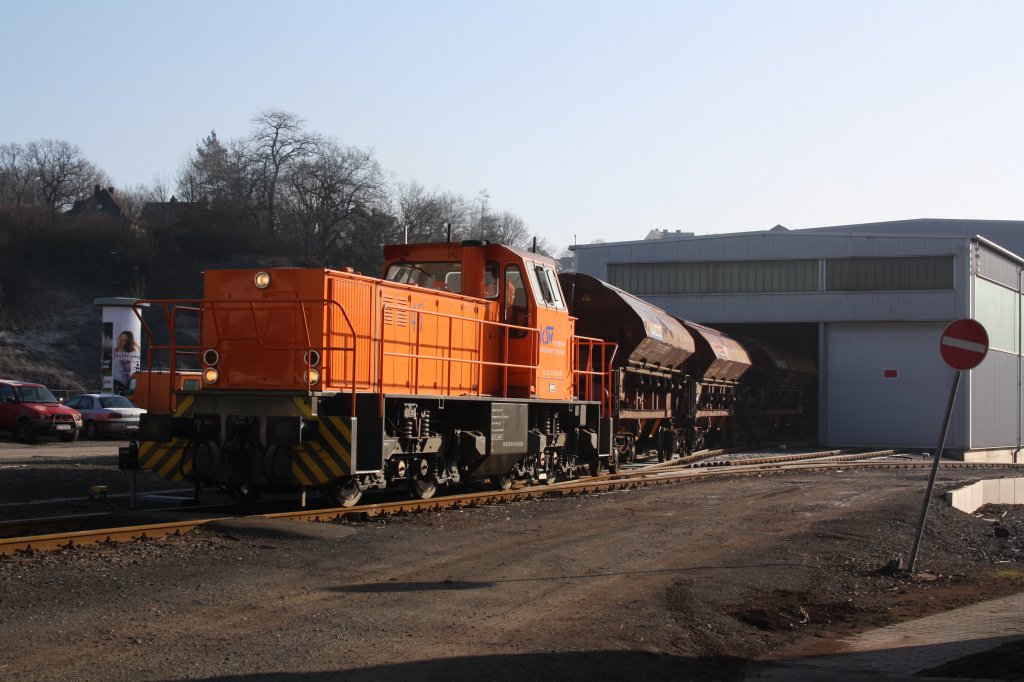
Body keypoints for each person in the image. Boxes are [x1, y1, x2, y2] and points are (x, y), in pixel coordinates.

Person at [112, 331, 140, 395]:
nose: (120, 341)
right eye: (120, 338)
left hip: (125, 383)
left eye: (124, 340)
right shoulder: (115, 350)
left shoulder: (131, 353)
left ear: (128, 342)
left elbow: (127, 375)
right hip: (117, 380)